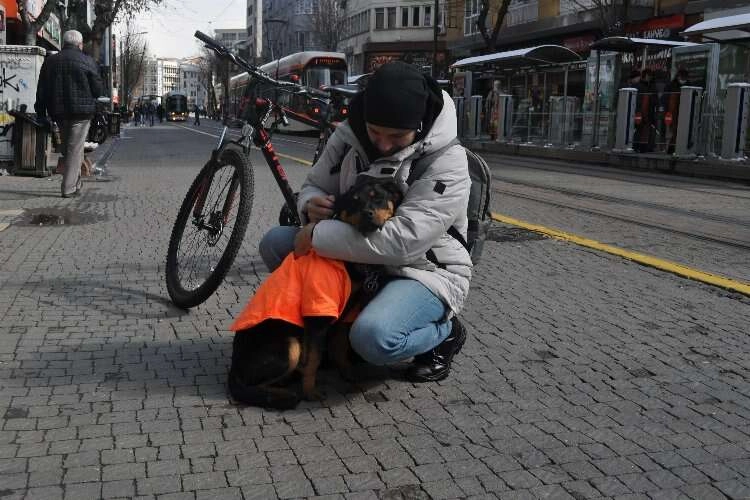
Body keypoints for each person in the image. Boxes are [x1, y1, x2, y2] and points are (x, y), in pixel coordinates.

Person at [259, 61, 472, 382]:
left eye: (397, 136)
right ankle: (332, 328)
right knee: (275, 244)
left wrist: (317, 232)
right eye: (375, 132)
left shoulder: (447, 161)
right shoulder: (348, 136)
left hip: (423, 270)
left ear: (420, 124)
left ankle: (445, 333)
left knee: (373, 339)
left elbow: (402, 243)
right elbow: (315, 184)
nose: (383, 144)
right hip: (358, 259)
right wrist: (309, 205)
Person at [35, 30, 103, 198]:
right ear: (80, 44)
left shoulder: (50, 62)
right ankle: (69, 187)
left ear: (64, 43)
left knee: (69, 148)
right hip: (82, 113)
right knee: (74, 149)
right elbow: (97, 90)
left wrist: (41, 112)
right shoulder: (87, 61)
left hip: (58, 112)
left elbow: (41, 91)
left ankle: (76, 182)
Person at [664, 68, 690, 154]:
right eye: (682, 78)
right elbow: (665, 98)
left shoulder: (687, 85)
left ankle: (673, 147)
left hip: (682, 111)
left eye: (684, 78)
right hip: (673, 111)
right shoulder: (671, 85)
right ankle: (671, 147)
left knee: (678, 130)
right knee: (673, 130)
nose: (683, 80)